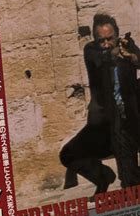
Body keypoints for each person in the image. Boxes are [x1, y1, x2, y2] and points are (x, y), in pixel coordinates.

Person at [60, 13, 140, 196]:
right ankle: (103, 176)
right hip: (103, 124)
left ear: (117, 35)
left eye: (110, 39)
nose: (105, 43)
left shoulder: (128, 46)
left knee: (130, 185)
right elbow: (99, 60)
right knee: (68, 155)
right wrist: (113, 54)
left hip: (128, 123)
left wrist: (133, 57)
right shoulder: (91, 51)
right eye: (101, 40)